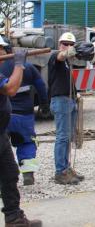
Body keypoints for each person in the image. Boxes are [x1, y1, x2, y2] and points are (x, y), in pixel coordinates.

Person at [0, 40, 42, 226]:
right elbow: (10, 89)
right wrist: (19, 64)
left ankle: (14, 218)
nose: (3, 54)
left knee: (9, 173)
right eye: (2, 50)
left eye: (4, 50)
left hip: (1, 133)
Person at [0, 40, 49, 186]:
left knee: (3, 147)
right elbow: (41, 86)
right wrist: (44, 104)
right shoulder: (26, 67)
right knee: (27, 142)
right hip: (24, 116)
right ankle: (28, 173)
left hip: (4, 118)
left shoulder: (2, 68)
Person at [48, 32, 84, 185]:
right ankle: (60, 171)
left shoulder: (68, 63)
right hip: (61, 100)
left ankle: (66, 167)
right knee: (62, 137)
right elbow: (60, 56)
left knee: (68, 137)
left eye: (71, 45)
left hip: (69, 100)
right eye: (65, 44)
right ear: (59, 44)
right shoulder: (55, 56)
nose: (68, 47)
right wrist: (68, 52)